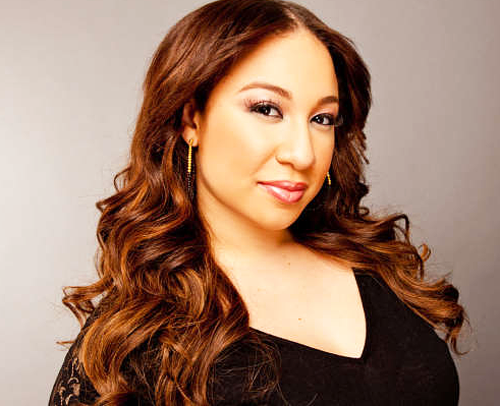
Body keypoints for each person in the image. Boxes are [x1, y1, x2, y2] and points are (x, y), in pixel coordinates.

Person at [48, 0, 470, 405]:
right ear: (192, 119)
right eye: (267, 109)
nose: (302, 154)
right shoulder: (137, 334)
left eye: (322, 119)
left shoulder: (379, 268)